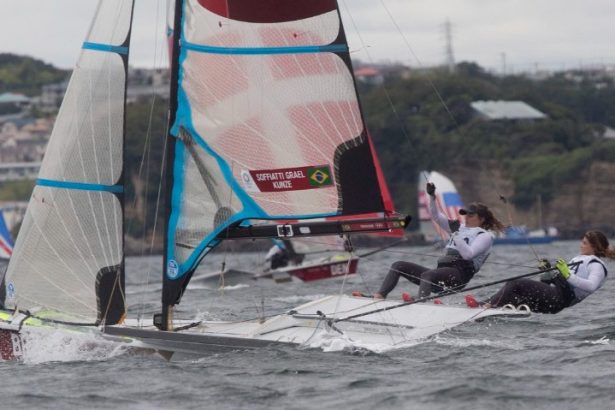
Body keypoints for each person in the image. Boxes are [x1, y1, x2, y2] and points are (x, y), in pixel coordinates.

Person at [374, 182, 504, 299]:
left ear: (482, 219)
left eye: (471, 215)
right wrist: (432, 197)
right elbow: (436, 216)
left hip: (459, 276)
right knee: (398, 265)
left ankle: (420, 303)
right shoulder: (459, 227)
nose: (466, 217)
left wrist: (455, 233)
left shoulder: (484, 236)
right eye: (465, 214)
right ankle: (379, 297)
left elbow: (468, 255)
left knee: (427, 275)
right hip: (441, 274)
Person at [472, 230, 615, 313]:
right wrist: (546, 271)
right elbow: (547, 282)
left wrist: (567, 274)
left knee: (515, 283)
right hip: (555, 296)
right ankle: (486, 307)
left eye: (584, 243)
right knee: (515, 294)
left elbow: (591, 286)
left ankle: (484, 307)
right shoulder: (579, 259)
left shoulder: (597, 265)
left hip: (561, 299)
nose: (581, 245)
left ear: (594, 247)